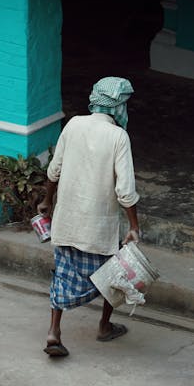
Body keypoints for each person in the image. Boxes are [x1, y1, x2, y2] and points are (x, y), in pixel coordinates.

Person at [37, 76, 140, 357]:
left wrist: (47, 201)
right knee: (113, 275)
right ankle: (104, 326)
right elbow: (126, 191)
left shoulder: (73, 124)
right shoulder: (119, 136)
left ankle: (53, 331)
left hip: (66, 222)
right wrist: (133, 226)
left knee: (62, 274)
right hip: (99, 228)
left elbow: (54, 170)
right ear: (118, 107)